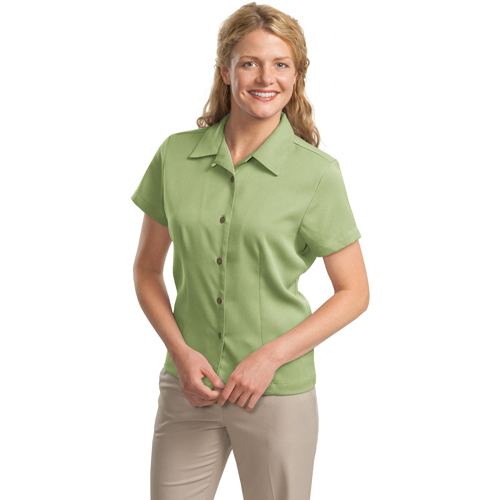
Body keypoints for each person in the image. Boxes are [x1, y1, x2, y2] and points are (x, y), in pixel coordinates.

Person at [131, 3, 369, 499]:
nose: (265, 78)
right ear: (225, 71)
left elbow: (354, 292)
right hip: (189, 389)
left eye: (281, 64)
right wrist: (181, 353)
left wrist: (270, 358)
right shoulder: (175, 155)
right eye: (249, 63)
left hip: (276, 393)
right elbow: (147, 269)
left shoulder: (317, 173)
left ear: (297, 76)